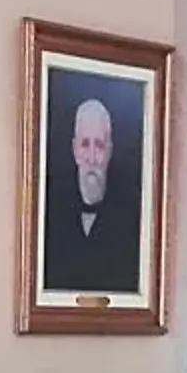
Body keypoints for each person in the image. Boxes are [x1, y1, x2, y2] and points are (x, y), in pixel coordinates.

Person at [38, 91, 144, 294]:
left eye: (100, 145)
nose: (92, 158)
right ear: (74, 150)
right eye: (85, 145)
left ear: (110, 151)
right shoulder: (49, 217)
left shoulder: (132, 222)